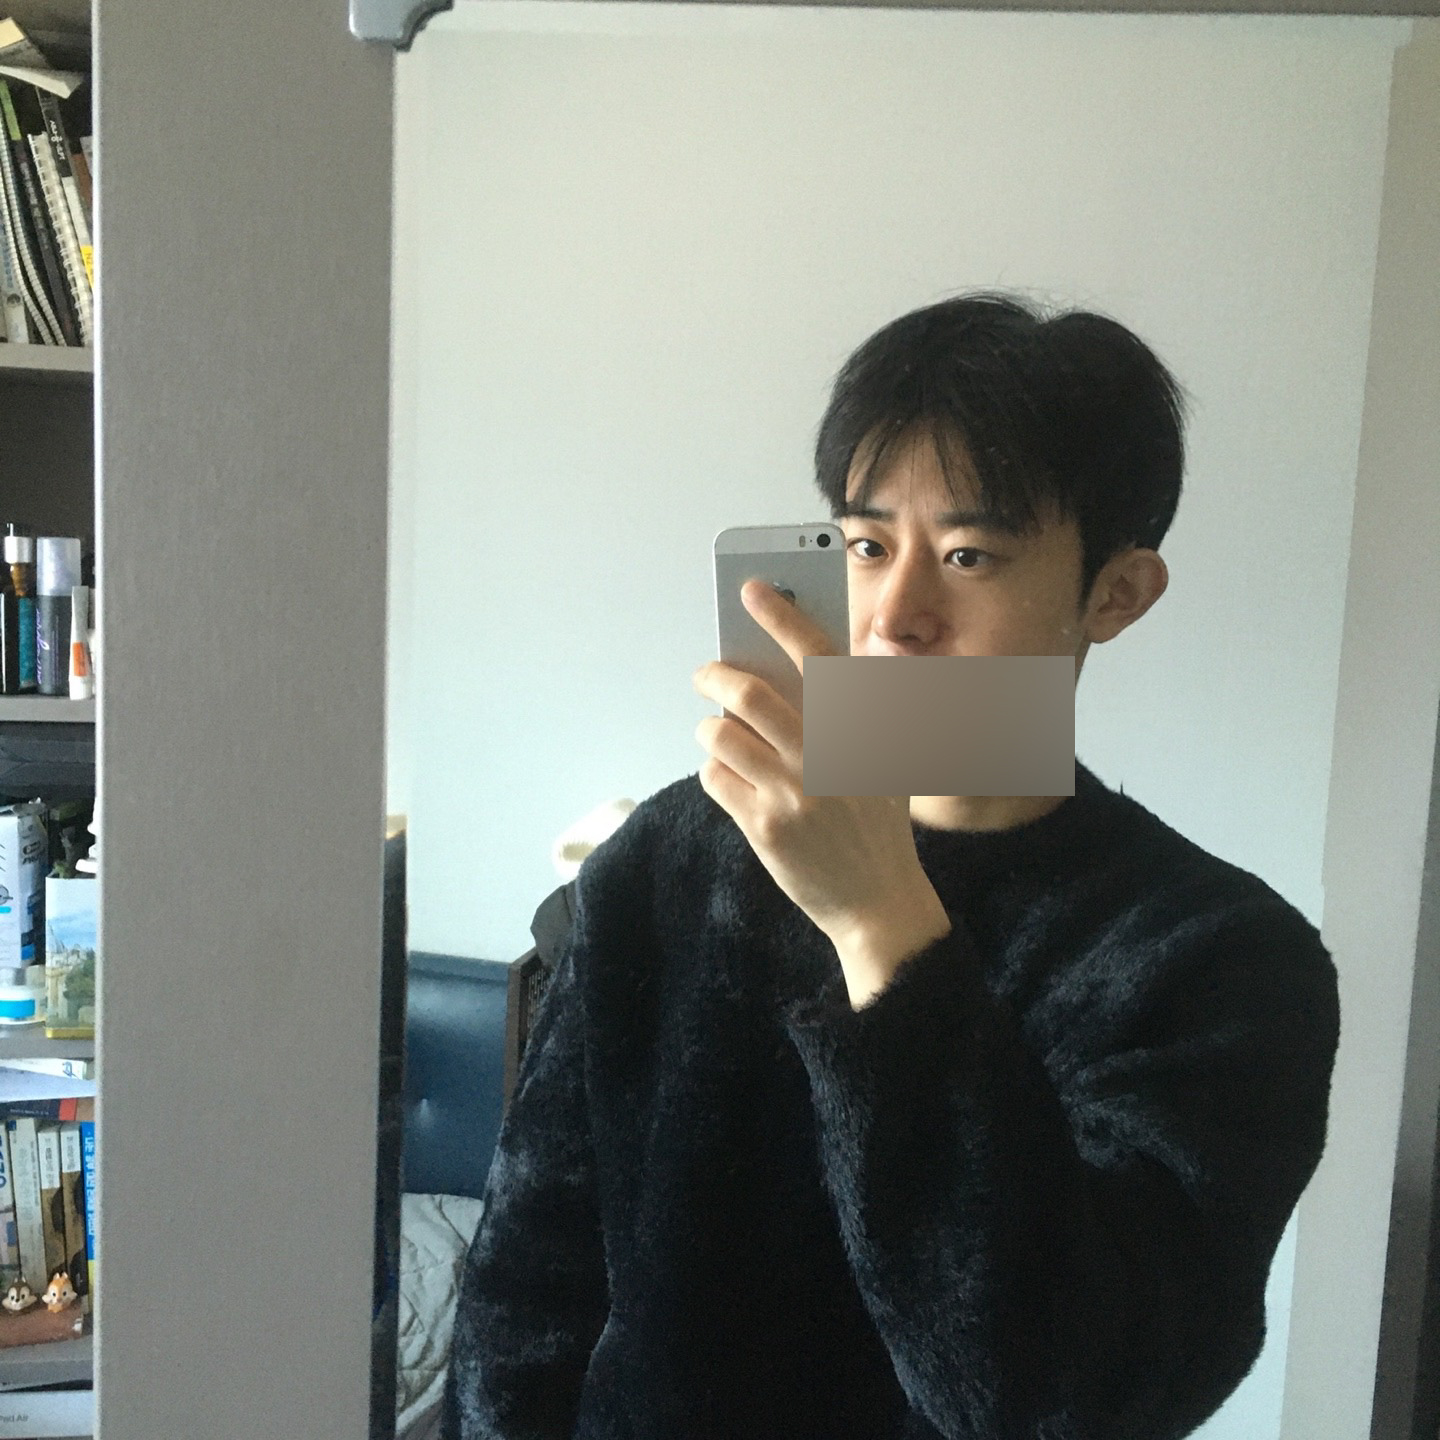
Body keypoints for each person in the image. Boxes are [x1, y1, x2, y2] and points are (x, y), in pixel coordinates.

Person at [440, 292, 1341, 1440]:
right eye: (865, 546)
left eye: (968, 554)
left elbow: (1056, 1401)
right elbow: (530, 1285)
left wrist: (880, 921)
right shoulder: (675, 853)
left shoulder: (1222, 961)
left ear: (1116, 593)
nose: (896, 615)